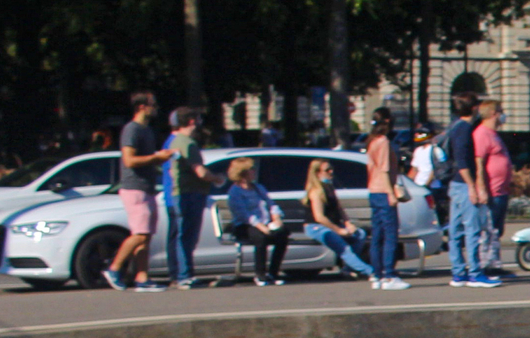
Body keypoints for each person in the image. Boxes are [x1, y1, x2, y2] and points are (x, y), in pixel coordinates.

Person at [439, 91, 497, 288]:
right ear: (474, 108)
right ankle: (475, 272)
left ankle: (458, 272)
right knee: (472, 229)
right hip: (464, 184)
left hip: (455, 184)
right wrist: (473, 187)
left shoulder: (454, 127)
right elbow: (463, 162)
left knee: (455, 230)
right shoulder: (465, 130)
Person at [109, 92, 166, 291]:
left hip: (147, 188)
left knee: (146, 236)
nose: (156, 108)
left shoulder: (147, 130)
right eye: (153, 104)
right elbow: (129, 160)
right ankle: (114, 268)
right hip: (134, 189)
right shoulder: (131, 129)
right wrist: (156, 158)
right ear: (142, 107)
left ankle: (142, 278)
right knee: (140, 234)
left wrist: (158, 162)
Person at [161, 104, 217, 288]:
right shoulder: (187, 143)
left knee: (179, 235)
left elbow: (170, 170)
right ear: (192, 121)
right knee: (186, 236)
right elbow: (200, 172)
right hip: (188, 194)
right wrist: (217, 178)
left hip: (175, 194)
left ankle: (178, 275)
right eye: (198, 120)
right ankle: (184, 275)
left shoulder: (171, 142)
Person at [302, 156, 378, 279]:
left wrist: (348, 223)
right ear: (317, 173)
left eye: (331, 169)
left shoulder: (329, 187)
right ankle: (371, 272)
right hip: (317, 227)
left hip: (332, 225)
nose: (331, 172)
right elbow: (319, 217)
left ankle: (348, 269)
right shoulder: (316, 191)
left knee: (359, 235)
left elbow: (339, 209)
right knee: (344, 248)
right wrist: (338, 230)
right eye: (327, 170)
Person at [221, 156, 292, 284]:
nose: (254, 171)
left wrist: (276, 217)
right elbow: (243, 214)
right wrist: (260, 226)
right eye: (251, 169)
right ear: (242, 172)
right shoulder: (235, 192)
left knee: (282, 234)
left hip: (264, 223)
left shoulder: (258, 188)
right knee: (261, 238)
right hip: (245, 225)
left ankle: (273, 273)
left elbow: (271, 204)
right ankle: (260, 274)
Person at [362, 107, 408, 288]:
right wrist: (391, 193)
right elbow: (384, 169)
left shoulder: (371, 141)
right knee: (390, 235)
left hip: (373, 191)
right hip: (383, 190)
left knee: (377, 235)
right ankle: (389, 275)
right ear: (388, 122)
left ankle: (377, 274)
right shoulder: (383, 142)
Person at [474, 101, 513, 274]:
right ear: (493, 113)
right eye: (501, 111)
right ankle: (486, 265)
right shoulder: (482, 133)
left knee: (496, 230)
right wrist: (481, 189)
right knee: (488, 231)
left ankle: (495, 264)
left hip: (501, 191)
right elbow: (479, 162)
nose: (503, 115)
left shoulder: (493, 134)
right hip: (491, 192)